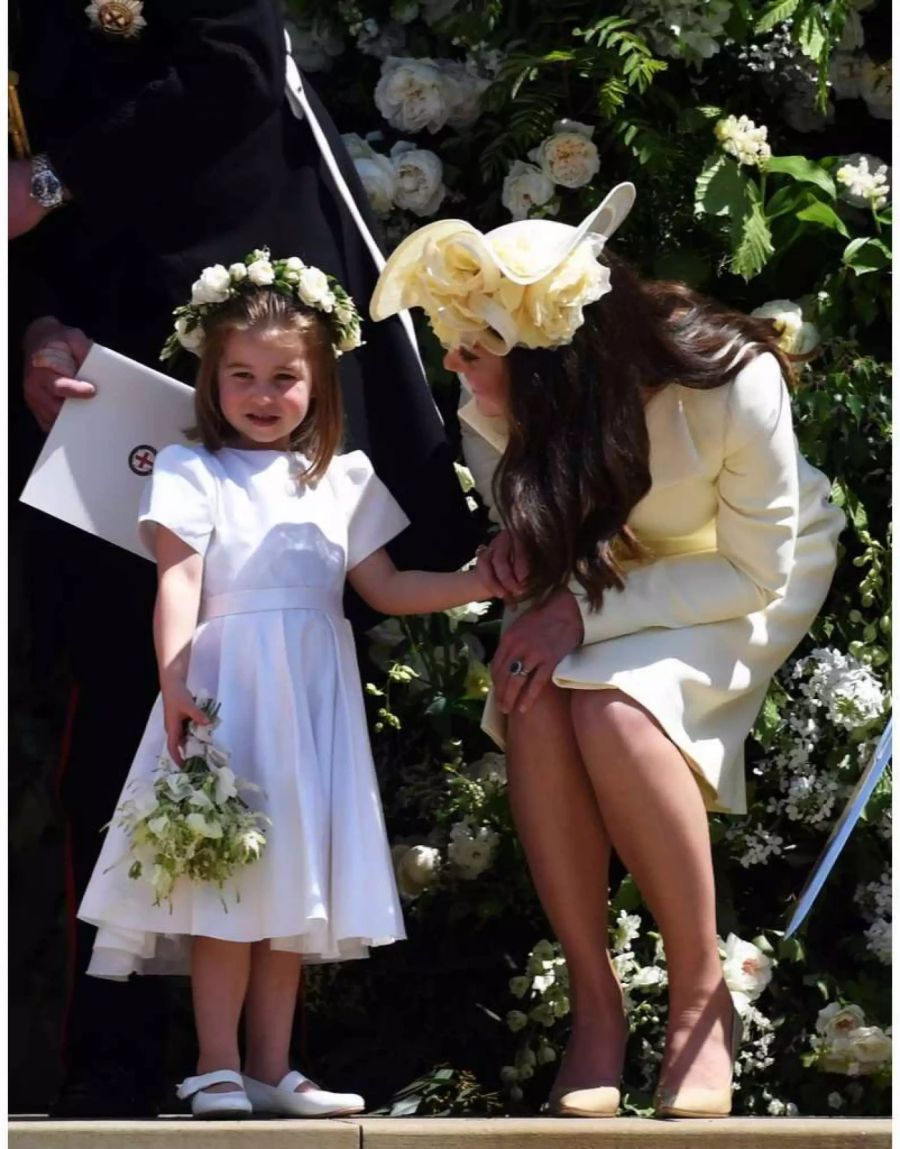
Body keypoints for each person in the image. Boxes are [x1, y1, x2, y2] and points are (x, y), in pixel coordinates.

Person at [9, 0, 475, 1117]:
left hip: (257, 351)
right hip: (93, 389)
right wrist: (31, 329)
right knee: (109, 703)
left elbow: (235, 69)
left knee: (280, 762)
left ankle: (258, 1062)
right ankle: (115, 1065)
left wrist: (49, 183)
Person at [369, 183, 844, 1118]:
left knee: (620, 708)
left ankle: (701, 997)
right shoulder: (503, 407)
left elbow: (754, 570)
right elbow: (545, 529)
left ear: (559, 361)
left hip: (741, 573)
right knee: (535, 700)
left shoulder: (732, 379)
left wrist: (579, 617)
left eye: (478, 354)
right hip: (599, 575)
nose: (462, 375)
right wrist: (522, 557)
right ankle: (596, 1005)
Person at [77, 255, 500, 1119]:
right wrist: (174, 682)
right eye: (242, 376)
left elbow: (383, 588)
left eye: (284, 377)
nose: (262, 394)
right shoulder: (194, 469)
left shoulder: (343, 477)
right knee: (225, 878)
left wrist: (483, 580)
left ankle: (273, 1066)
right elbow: (178, 582)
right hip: (229, 690)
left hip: (311, 697)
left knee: (290, 884)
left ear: (320, 380)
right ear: (212, 377)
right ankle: (214, 1063)